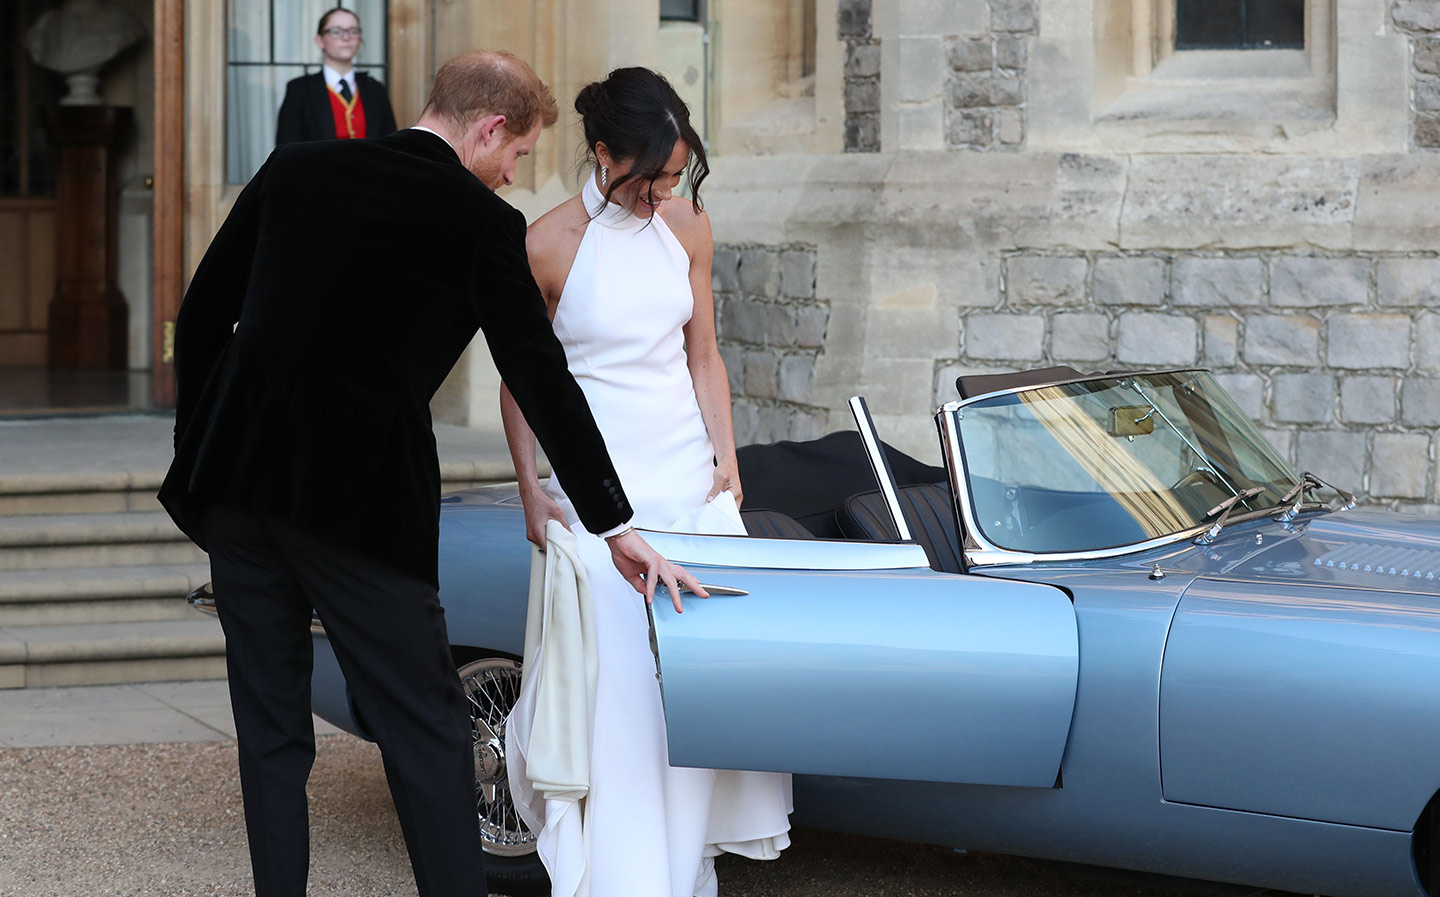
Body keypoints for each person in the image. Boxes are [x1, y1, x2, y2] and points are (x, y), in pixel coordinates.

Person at [158, 50, 704, 897]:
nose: (513, 170)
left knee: (269, 726)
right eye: (517, 153)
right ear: (490, 129)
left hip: (237, 486)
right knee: (428, 725)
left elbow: (201, 313)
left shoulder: (297, 167)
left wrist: (200, 442)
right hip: (358, 504)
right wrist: (613, 521)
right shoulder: (480, 224)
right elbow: (539, 375)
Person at [502, 67, 793, 897]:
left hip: (685, 486)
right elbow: (523, 378)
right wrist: (530, 486)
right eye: (651, 177)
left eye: (675, 176)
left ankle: (684, 873)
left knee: (693, 694)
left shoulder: (688, 224)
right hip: (599, 500)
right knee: (618, 700)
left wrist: (727, 459)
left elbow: (703, 351)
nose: (665, 191)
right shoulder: (547, 243)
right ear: (602, 154)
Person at [275, 6, 397, 145]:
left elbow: (390, 145)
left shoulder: (375, 89)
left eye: (353, 31)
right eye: (336, 31)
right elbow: (287, 149)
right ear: (320, 40)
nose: (346, 37)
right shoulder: (299, 90)